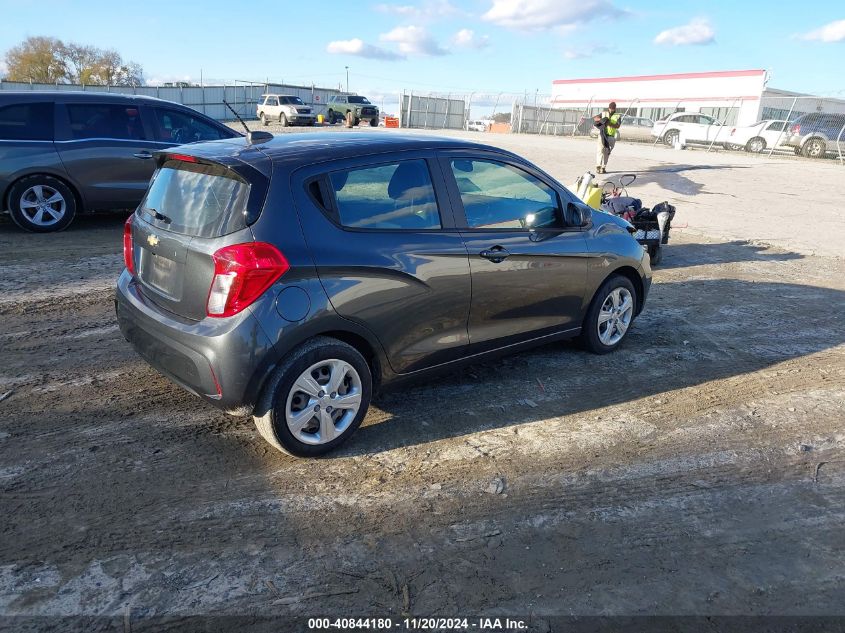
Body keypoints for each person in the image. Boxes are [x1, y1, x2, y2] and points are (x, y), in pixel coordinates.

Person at [594, 101, 621, 174]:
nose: (611, 110)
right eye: (610, 108)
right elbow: (595, 118)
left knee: (607, 152)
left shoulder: (617, 115)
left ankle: (603, 167)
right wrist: (601, 120)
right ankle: (598, 166)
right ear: (608, 108)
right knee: (600, 150)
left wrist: (609, 123)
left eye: (613, 109)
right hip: (602, 135)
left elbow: (618, 126)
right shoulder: (603, 113)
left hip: (611, 137)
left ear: (615, 109)